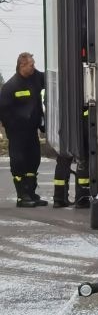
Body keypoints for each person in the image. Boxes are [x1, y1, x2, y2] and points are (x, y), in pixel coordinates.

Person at [0, 52, 48, 207]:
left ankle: (31, 193)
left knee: (34, 160)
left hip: (32, 130)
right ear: (22, 66)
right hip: (17, 132)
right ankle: (22, 196)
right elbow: (3, 111)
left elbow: (51, 79)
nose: (34, 67)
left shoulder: (36, 77)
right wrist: (12, 126)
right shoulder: (10, 86)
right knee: (19, 161)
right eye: (31, 65)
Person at [52, 107, 90, 208]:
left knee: (63, 159)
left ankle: (59, 198)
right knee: (84, 160)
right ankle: (82, 199)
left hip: (64, 122)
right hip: (84, 122)